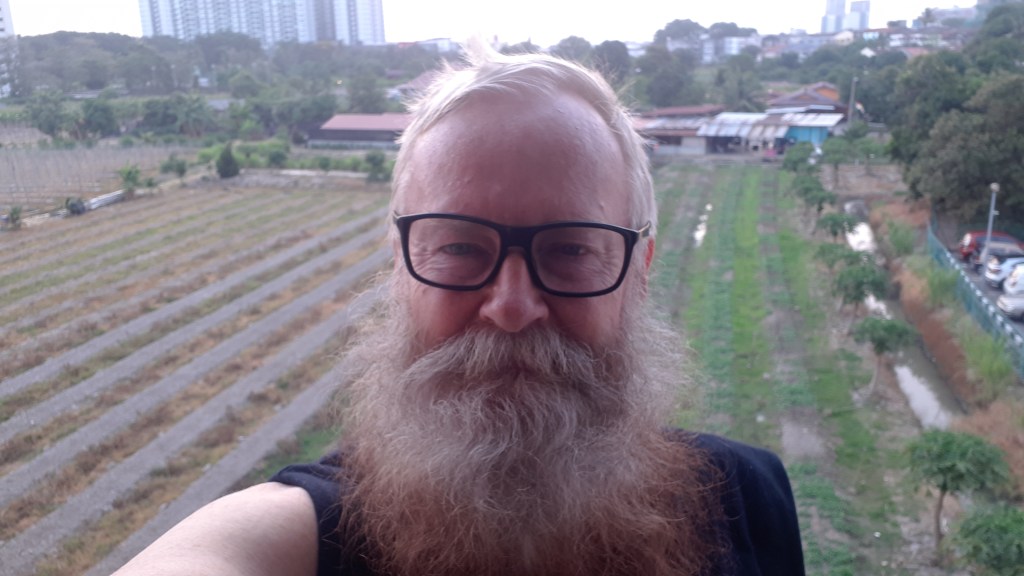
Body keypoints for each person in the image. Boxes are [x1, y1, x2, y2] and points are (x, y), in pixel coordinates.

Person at [112, 41, 805, 576]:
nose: (512, 306)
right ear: (400, 264)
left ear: (638, 271)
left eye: (570, 249)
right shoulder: (299, 537)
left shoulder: (746, 500)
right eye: (460, 248)